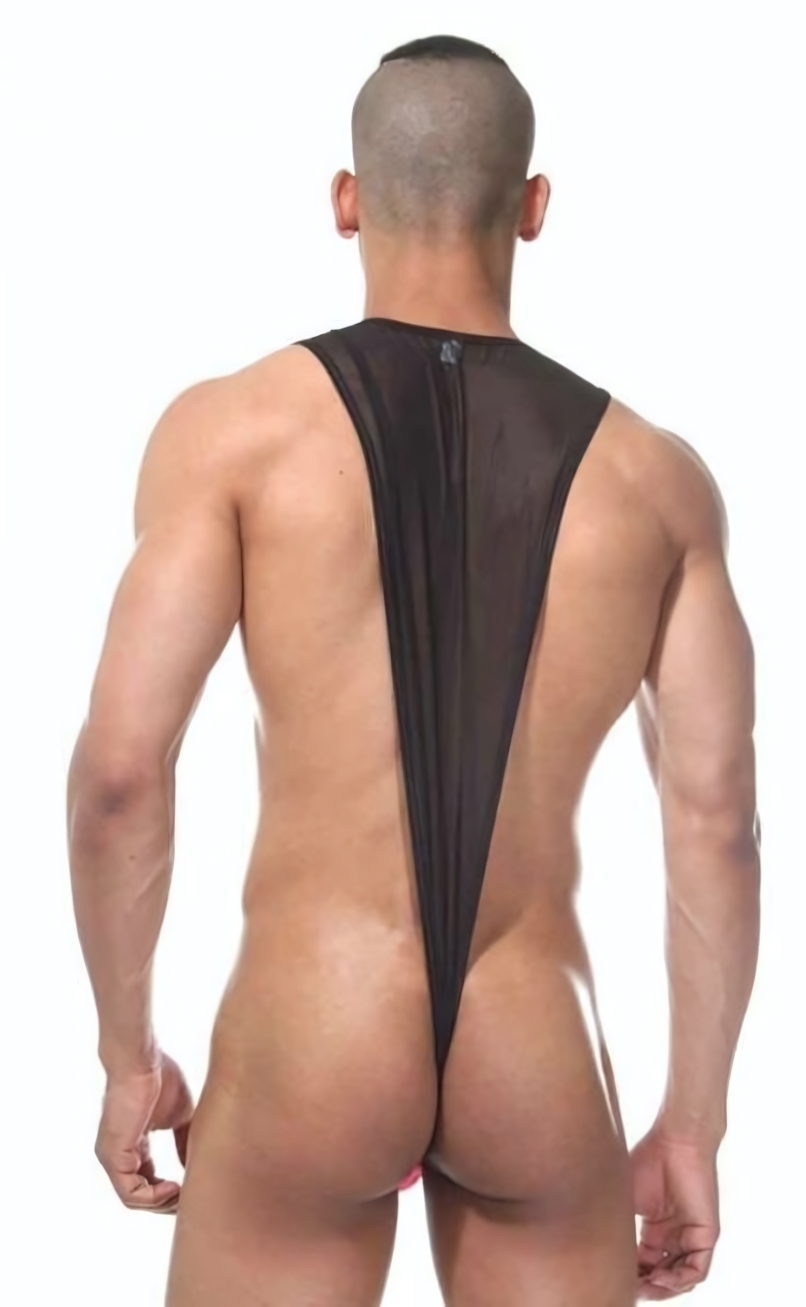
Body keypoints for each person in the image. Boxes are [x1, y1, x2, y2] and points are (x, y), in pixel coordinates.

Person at [66, 32, 761, 1307]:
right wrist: (692, 1122)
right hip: (533, 1036)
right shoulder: (656, 483)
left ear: (346, 198)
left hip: (309, 1027)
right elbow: (715, 820)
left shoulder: (234, 434)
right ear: (531, 206)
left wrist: (127, 1053)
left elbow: (119, 774)